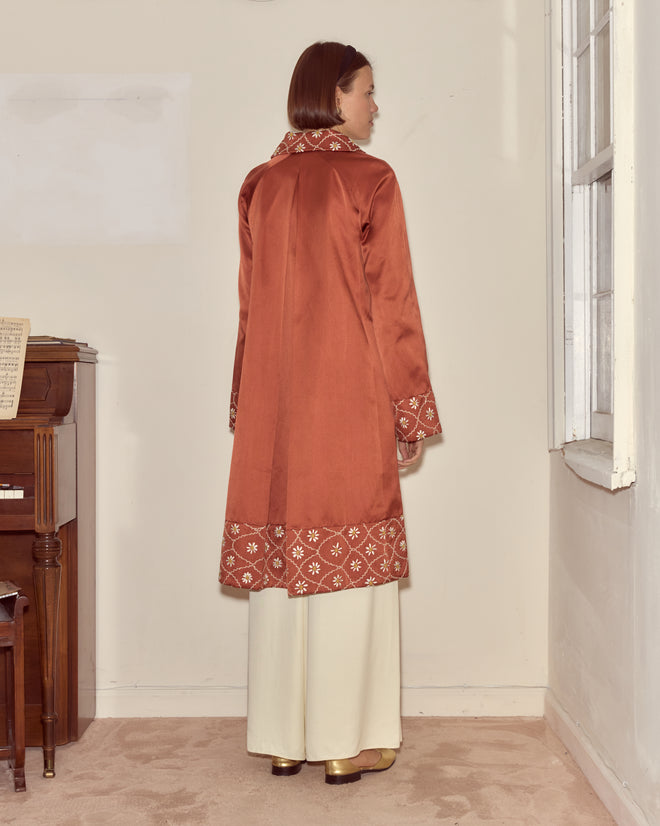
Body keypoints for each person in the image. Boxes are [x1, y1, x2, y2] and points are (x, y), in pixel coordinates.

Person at [220, 41, 441, 785]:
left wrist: (242, 401)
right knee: (352, 571)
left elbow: (250, 312)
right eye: (369, 92)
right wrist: (408, 411)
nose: (376, 107)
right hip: (347, 404)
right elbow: (394, 308)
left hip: (274, 412)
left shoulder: (262, 183)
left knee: (286, 570)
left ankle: (285, 737)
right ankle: (346, 743)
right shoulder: (369, 179)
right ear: (335, 94)